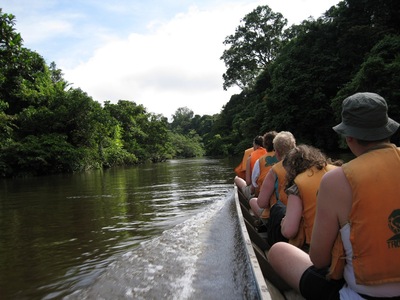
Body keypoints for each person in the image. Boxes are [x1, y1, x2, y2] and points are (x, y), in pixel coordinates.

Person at [268, 92, 400, 299]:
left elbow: (319, 260)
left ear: (349, 137)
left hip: (361, 295)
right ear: (388, 129)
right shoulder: (335, 173)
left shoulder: (337, 181)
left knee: (278, 251)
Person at [280, 144, 342, 251]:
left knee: (277, 249)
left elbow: (289, 231)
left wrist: (283, 224)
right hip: (346, 242)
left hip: (315, 248)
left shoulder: (297, 186)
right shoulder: (341, 171)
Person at [249, 131, 296, 218]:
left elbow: (262, 203)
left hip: (280, 216)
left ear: (276, 152)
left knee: (253, 201)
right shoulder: (305, 165)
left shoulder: (275, 170)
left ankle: (262, 223)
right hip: (300, 215)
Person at [234, 135, 266, 200]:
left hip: (256, 191)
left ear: (256, 145)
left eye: (253, 145)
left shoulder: (250, 158)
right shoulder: (271, 155)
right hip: (269, 190)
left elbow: (248, 182)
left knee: (236, 179)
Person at [251, 131, 278, 196]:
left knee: (252, 200)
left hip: (264, 196)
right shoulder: (285, 160)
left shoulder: (259, 161)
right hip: (281, 197)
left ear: (265, 145)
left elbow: (254, 184)